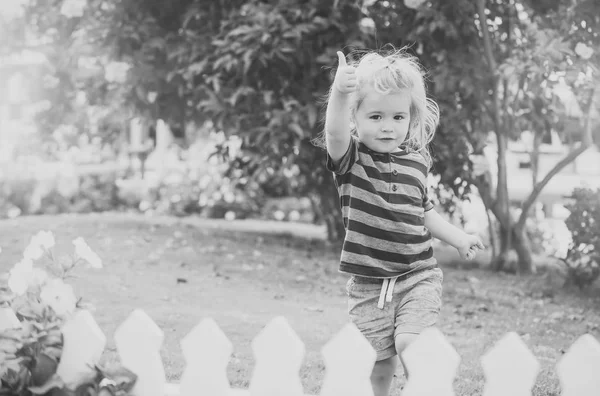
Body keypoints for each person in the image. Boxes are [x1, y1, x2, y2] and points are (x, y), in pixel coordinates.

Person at [320, 48, 484, 396]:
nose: (387, 126)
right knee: (377, 367)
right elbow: (334, 135)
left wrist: (458, 238)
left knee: (411, 343)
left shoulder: (415, 163)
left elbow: (424, 212)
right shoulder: (352, 160)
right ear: (356, 118)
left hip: (417, 275)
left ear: (410, 119)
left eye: (397, 117)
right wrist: (339, 92)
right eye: (376, 116)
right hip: (368, 284)